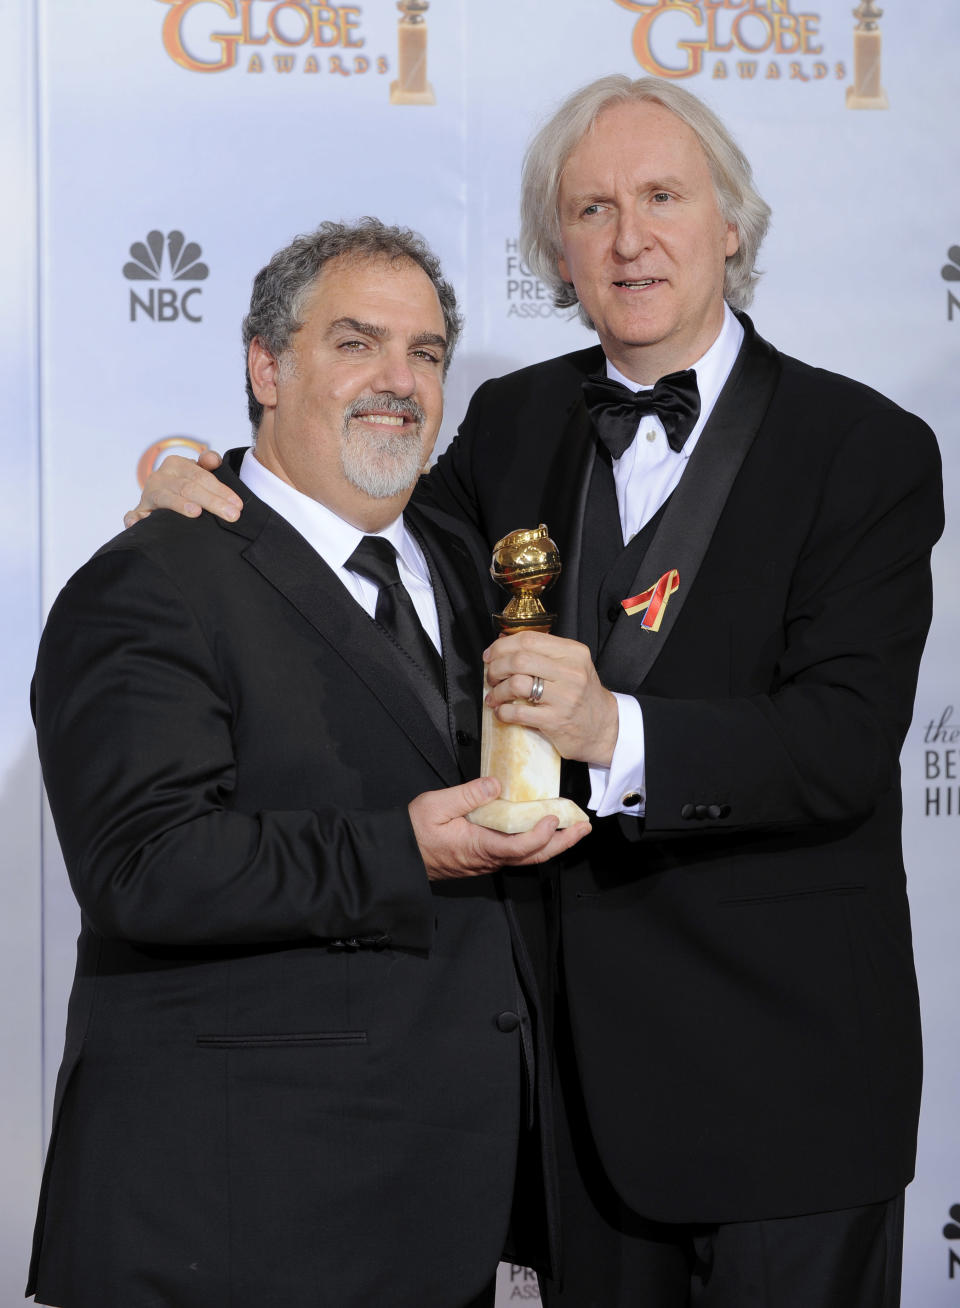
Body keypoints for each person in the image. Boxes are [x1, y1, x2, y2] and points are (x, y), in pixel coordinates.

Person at [127, 78, 943, 1307]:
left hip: (794, 1080)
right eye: (591, 208)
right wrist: (204, 477)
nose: (630, 238)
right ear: (556, 253)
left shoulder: (866, 446)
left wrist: (613, 731)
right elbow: (359, 509)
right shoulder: (512, 421)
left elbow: (840, 742)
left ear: (732, 224)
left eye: (663, 197)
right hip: (577, 1092)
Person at [30, 218, 589, 1308]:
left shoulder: (466, 566)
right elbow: (145, 865)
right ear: (265, 366)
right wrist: (406, 851)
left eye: (425, 354)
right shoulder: (150, 582)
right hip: (231, 1225)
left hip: (439, 1221)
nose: (399, 381)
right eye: (356, 343)